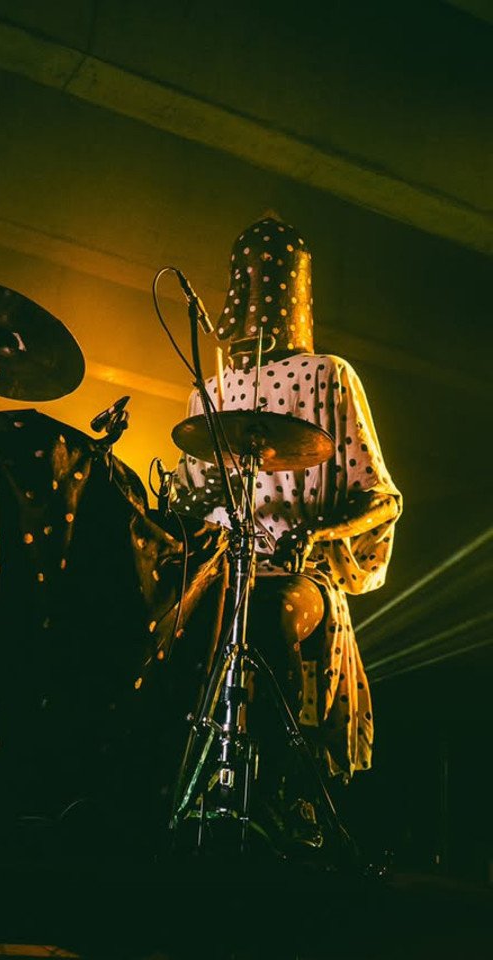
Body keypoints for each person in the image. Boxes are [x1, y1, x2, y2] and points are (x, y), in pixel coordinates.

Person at [174, 214, 401, 782]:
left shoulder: (330, 375)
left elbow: (382, 498)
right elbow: (186, 498)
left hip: (300, 578)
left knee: (269, 614)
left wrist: (313, 533)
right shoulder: (211, 390)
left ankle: (279, 777)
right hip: (219, 571)